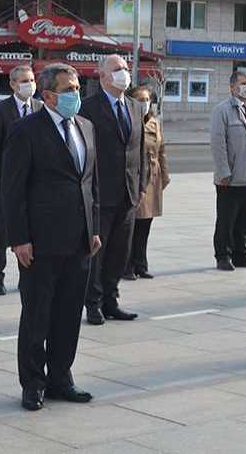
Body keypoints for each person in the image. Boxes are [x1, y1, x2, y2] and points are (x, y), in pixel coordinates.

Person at [3, 64, 101, 412]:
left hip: (79, 240)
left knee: (68, 313)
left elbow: (91, 182)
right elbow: (13, 192)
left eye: (77, 87)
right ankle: (33, 383)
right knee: (37, 315)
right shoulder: (25, 131)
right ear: (48, 95)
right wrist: (19, 239)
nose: (77, 93)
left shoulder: (86, 127)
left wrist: (95, 228)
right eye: (69, 88)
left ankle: (61, 377)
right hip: (40, 242)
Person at [79, 55, 143, 325]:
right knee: (97, 253)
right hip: (100, 194)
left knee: (120, 252)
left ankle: (111, 300)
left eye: (126, 69)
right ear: (102, 76)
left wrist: (139, 188)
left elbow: (138, 151)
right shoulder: (88, 107)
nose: (124, 74)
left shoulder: (136, 107)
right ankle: (92, 303)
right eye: (117, 69)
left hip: (128, 194)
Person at [0, 65, 43, 295]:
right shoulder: (0, 110)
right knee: (2, 229)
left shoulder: (39, 107)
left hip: (36, 181)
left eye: (31, 80)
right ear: (12, 84)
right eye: (24, 81)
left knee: (33, 229)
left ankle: (26, 276)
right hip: (8, 181)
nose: (29, 84)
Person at [210, 71, 246, 271]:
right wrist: (223, 171)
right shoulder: (222, 110)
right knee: (226, 219)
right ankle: (223, 255)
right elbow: (218, 143)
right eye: (242, 83)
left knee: (245, 220)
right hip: (230, 177)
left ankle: (242, 254)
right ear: (232, 87)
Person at [124, 86, 170, 280]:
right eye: (139, 99)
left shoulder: (155, 122)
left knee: (145, 224)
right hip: (134, 178)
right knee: (131, 226)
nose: (144, 103)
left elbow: (162, 150)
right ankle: (127, 266)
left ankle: (141, 264)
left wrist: (165, 175)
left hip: (152, 177)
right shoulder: (128, 120)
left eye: (147, 99)